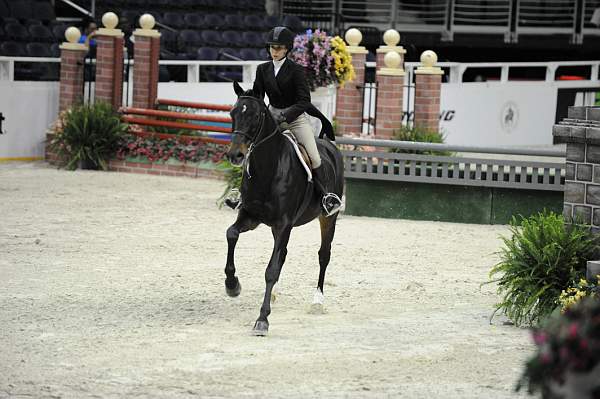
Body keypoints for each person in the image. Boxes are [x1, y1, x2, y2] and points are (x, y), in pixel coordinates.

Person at [226, 26, 342, 216]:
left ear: (287, 49)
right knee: (253, 150)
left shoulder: (296, 70)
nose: (275, 51)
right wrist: (249, 102)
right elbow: (258, 95)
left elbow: (304, 101)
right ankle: (240, 193)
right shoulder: (263, 69)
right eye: (272, 47)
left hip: (295, 119)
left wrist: (286, 115)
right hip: (272, 117)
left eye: (279, 48)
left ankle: (326, 197)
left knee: (313, 155)